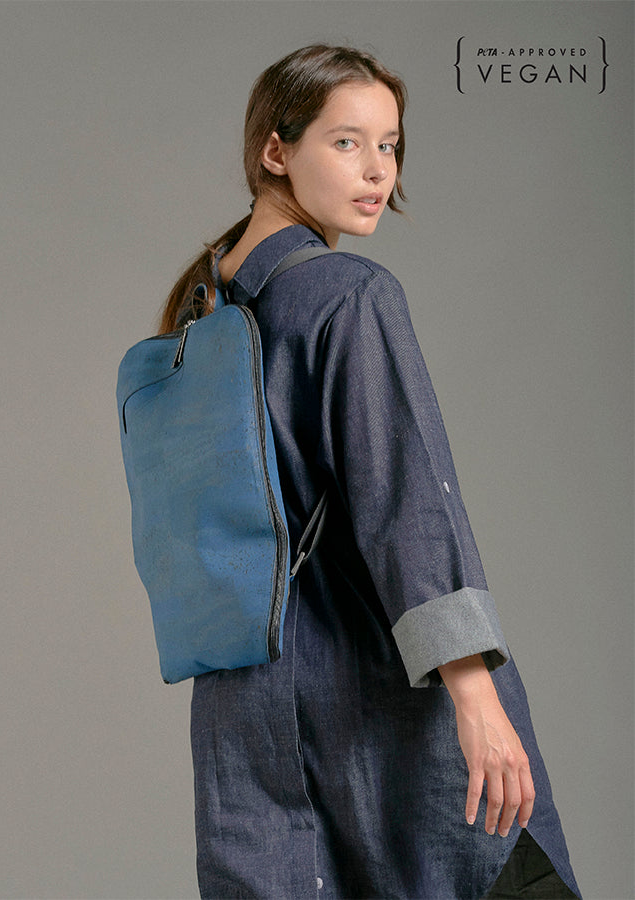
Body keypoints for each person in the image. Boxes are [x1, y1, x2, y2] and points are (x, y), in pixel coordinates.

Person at [159, 45, 581, 900]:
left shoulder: (203, 311)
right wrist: (478, 696)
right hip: (372, 691)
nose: (378, 170)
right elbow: (406, 502)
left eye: (389, 145)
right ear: (276, 150)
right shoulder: (351, 293)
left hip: (243, 705)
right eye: (346, 142)